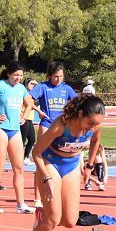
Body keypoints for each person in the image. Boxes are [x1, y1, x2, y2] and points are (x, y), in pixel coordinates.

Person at [19, 94, 105, 231]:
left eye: (96, 124)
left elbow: (96, 142)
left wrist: (89, 165)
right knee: (52, 220)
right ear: (80, 114)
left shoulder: (95, 128)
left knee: (70, 221)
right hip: (50, 163)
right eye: (90, 123)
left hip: (71, 165)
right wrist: (46, 177)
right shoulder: (61, 125)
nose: (93, 127)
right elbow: (36, 152)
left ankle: (43, 215)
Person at [0, 63, 37, 215]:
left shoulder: (21, 88)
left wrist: (24, 117)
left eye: (21, 75)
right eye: (16, 75)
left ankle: (21, 204)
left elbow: (30, 103)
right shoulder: (0, 85)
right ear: (9, 74)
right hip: (0, 129)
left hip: (15, 130)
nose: (18, 78)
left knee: (19, 168)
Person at [28, 61, 76, 206]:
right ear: (49, 76)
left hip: (62, 128)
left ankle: (58, 194)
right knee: (41, 160)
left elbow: (78, 102)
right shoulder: (43, 87)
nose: (58, 79)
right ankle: (37, 198)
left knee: (59, 159)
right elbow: (28, 99)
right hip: (46, 125)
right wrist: (38, 111)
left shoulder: (67, 89)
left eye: (61, 76)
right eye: (56, 76)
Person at [20, 78, 40, 164]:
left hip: (30, 119)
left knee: (32, 139)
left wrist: (37, 85)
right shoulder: (24, 93)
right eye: (31, 84)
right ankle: (19, 158)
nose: (33, 86)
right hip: (23, 118)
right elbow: (30, 105)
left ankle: (26, 157)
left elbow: (36, 103)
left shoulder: (34, 95)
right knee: (22, 139)